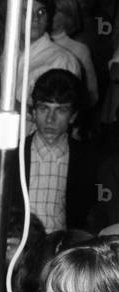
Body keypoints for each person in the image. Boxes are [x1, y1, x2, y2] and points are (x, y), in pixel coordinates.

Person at [9, 69, 98, 234]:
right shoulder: (12, 156)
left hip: (61, 249)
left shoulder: (87, 160)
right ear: (33, 112)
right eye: (44, 109)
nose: (50, 119)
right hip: (18, 245)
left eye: (60, 110)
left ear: (72, 116)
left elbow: (87, 216)